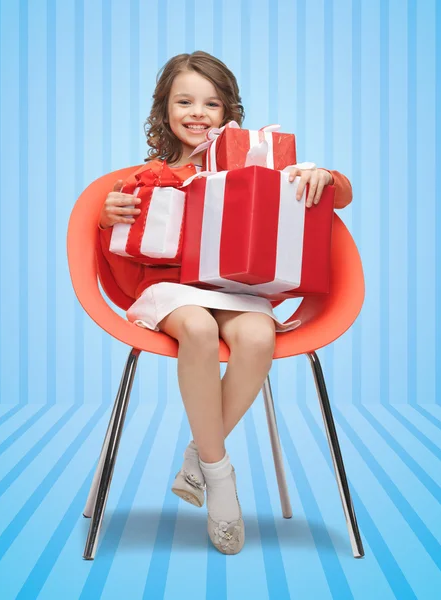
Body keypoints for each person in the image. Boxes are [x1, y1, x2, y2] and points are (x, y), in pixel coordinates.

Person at [97, 51, 353, 555]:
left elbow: (338, 196)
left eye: (211, 102)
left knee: (258, 335)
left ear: (228, 110)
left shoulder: (256, 165)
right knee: (197, 328)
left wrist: (325, 176)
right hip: (171, 292)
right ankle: (222, 482)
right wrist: (107, 215)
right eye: (184, 101)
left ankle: (197, 458)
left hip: (236, 290)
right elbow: (112, 237)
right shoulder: (151, 177)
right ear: (164, 110)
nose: (198, 112)